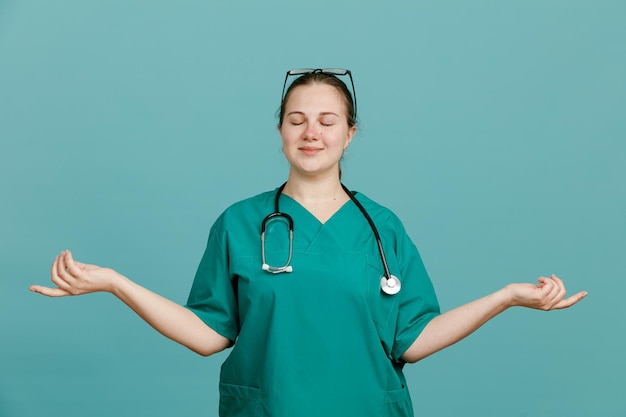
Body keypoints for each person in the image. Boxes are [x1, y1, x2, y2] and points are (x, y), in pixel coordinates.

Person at [30, 68, 587, 417]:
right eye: (296, 120)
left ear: (350, 133)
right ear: (280, 132)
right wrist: (114, 284)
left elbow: (412, 340)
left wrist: (506, 297)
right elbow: (206, 335)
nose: (311, 132)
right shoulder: (239, 223)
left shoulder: (382, 226)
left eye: (327, 120)